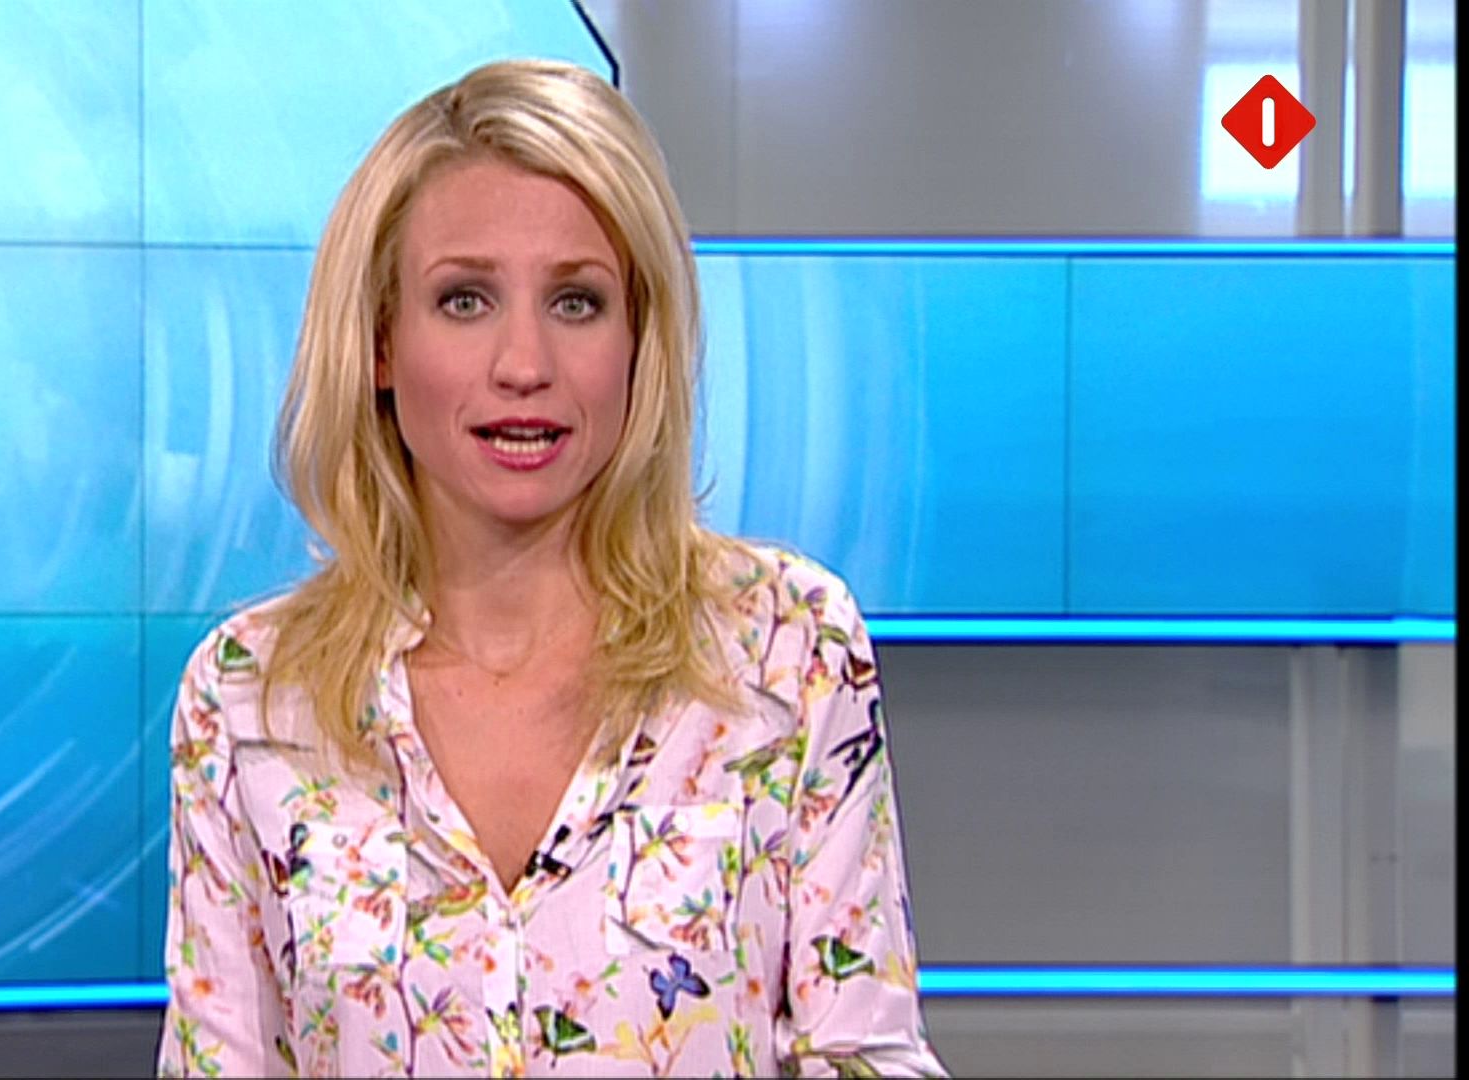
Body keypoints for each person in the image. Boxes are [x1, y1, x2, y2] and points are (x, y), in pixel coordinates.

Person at [158, 58, 946, 1078]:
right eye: (465, 300)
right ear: (382, 343)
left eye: (576, 302)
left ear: (640, 340)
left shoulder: (787, 650)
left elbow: (866, 1053)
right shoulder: (249, 697)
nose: (524, 365)